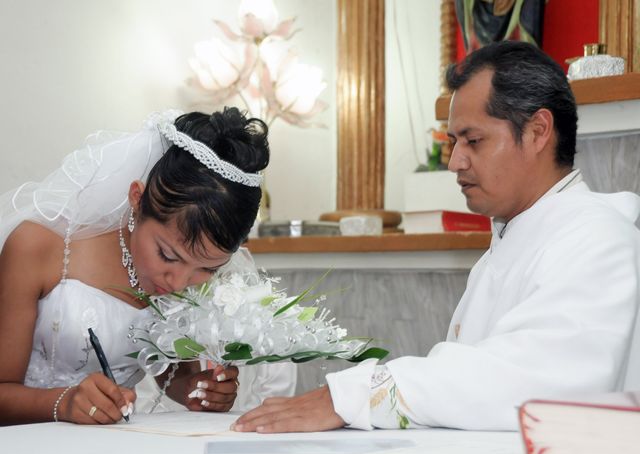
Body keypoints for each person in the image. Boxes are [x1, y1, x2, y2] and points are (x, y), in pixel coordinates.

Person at [232, 41, 640, 433]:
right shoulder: (517, 235)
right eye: (453, 142)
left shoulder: (596, 238)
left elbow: (534, 377)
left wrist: (354, 396)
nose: (455, 161)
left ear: (537, 131)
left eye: (473, 140)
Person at [0, 107, 295, 425]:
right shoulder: (41, 246)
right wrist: (62, 402)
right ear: (137, 200)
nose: (180, 282)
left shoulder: (182, 283)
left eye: (208, 269)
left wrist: (198, 391)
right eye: (168, 255)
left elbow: (176, 375)